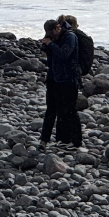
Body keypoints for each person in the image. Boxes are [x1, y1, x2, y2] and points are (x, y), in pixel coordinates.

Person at [41, 19, 82, 149]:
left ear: (58, 27)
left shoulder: (70, 37)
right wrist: (47, 43)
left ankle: (76, 141)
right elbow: (49, 54)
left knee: (70, 110)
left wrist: (51, 44)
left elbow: (64, 54)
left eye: (51, 32)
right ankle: (59, 139)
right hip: (55, 78)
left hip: (68, 78)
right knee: (56, 110)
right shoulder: (54, 38)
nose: (51, 35)